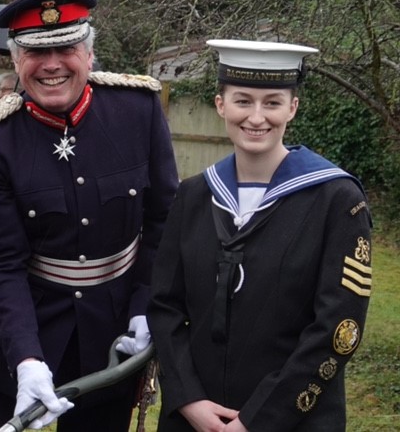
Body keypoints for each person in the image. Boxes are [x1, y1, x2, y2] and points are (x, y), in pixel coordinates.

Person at [0, 0, 178, 432]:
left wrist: (142, 305)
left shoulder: (138, 110)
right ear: (16, 62)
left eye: (66, 48)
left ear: (89, 53)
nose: (52, 64)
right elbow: (1, 263)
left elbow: (162, 221)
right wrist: (25, 359)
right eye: (36, 52)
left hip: (112, 335)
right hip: (17, 330)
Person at [148, 39, 372, 431]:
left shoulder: (336, 200)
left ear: (293, 108)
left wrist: (256, 421)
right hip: (197, 421)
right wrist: (188, 399)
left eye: (272, 102)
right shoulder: (194, 196)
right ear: (221, 105)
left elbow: (337, 329)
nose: (256, 117)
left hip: (293, 420)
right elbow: (165, 307)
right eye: (243, 100)